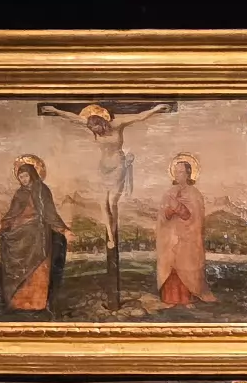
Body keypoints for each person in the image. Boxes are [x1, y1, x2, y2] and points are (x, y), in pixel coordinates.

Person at [39, 102, 173, 307]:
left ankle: (112, 234)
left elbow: (139, 116)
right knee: (102, 203)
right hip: (104, 168)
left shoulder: (118, 124)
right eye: (92, 129)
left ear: (102, 121)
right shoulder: (89, 124)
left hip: (118, 166)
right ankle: (110, 235)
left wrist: (156, 109)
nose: (95, 131)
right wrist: (55, 111)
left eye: (96, 127)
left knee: (112, 202)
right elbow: (72, 118)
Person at [0, 155, 69, 312]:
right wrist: (6, 224)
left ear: (32, 174)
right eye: (21, 177)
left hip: (38, 229)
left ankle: (38, 302)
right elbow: (12, 212)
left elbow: (49, 212)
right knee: (7, 242)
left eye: (26, 176)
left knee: (40, 263)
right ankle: (18, 302)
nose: (24, 179)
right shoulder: (19, 193)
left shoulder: (42, 190)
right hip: (21, 229)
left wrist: (62, 228)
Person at [155, 154, 214, 307]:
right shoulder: (169, 193)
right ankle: (170, 299)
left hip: (188, 239)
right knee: (171, 266)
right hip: (171, 238)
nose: (177, 174)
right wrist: (169, 212)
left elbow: (193, 217)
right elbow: (162, 216)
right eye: (176, 171)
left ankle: (188, 298)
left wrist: (179, 208)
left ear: (188, 174)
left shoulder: (194, 194)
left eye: (181, 172)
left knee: (186, 265)